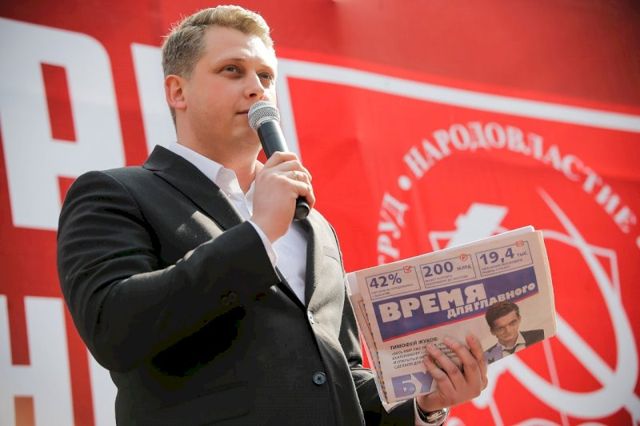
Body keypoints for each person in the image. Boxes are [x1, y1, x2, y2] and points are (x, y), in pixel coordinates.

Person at [57, 5, 487, 425]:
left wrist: (424, 403)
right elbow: (113, 328)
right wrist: (259, 234)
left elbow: (339, 374)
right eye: (232, 70)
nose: (256, 88)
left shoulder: (312, 224)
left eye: (266, 76)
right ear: (177, 92)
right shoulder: (117, 193)